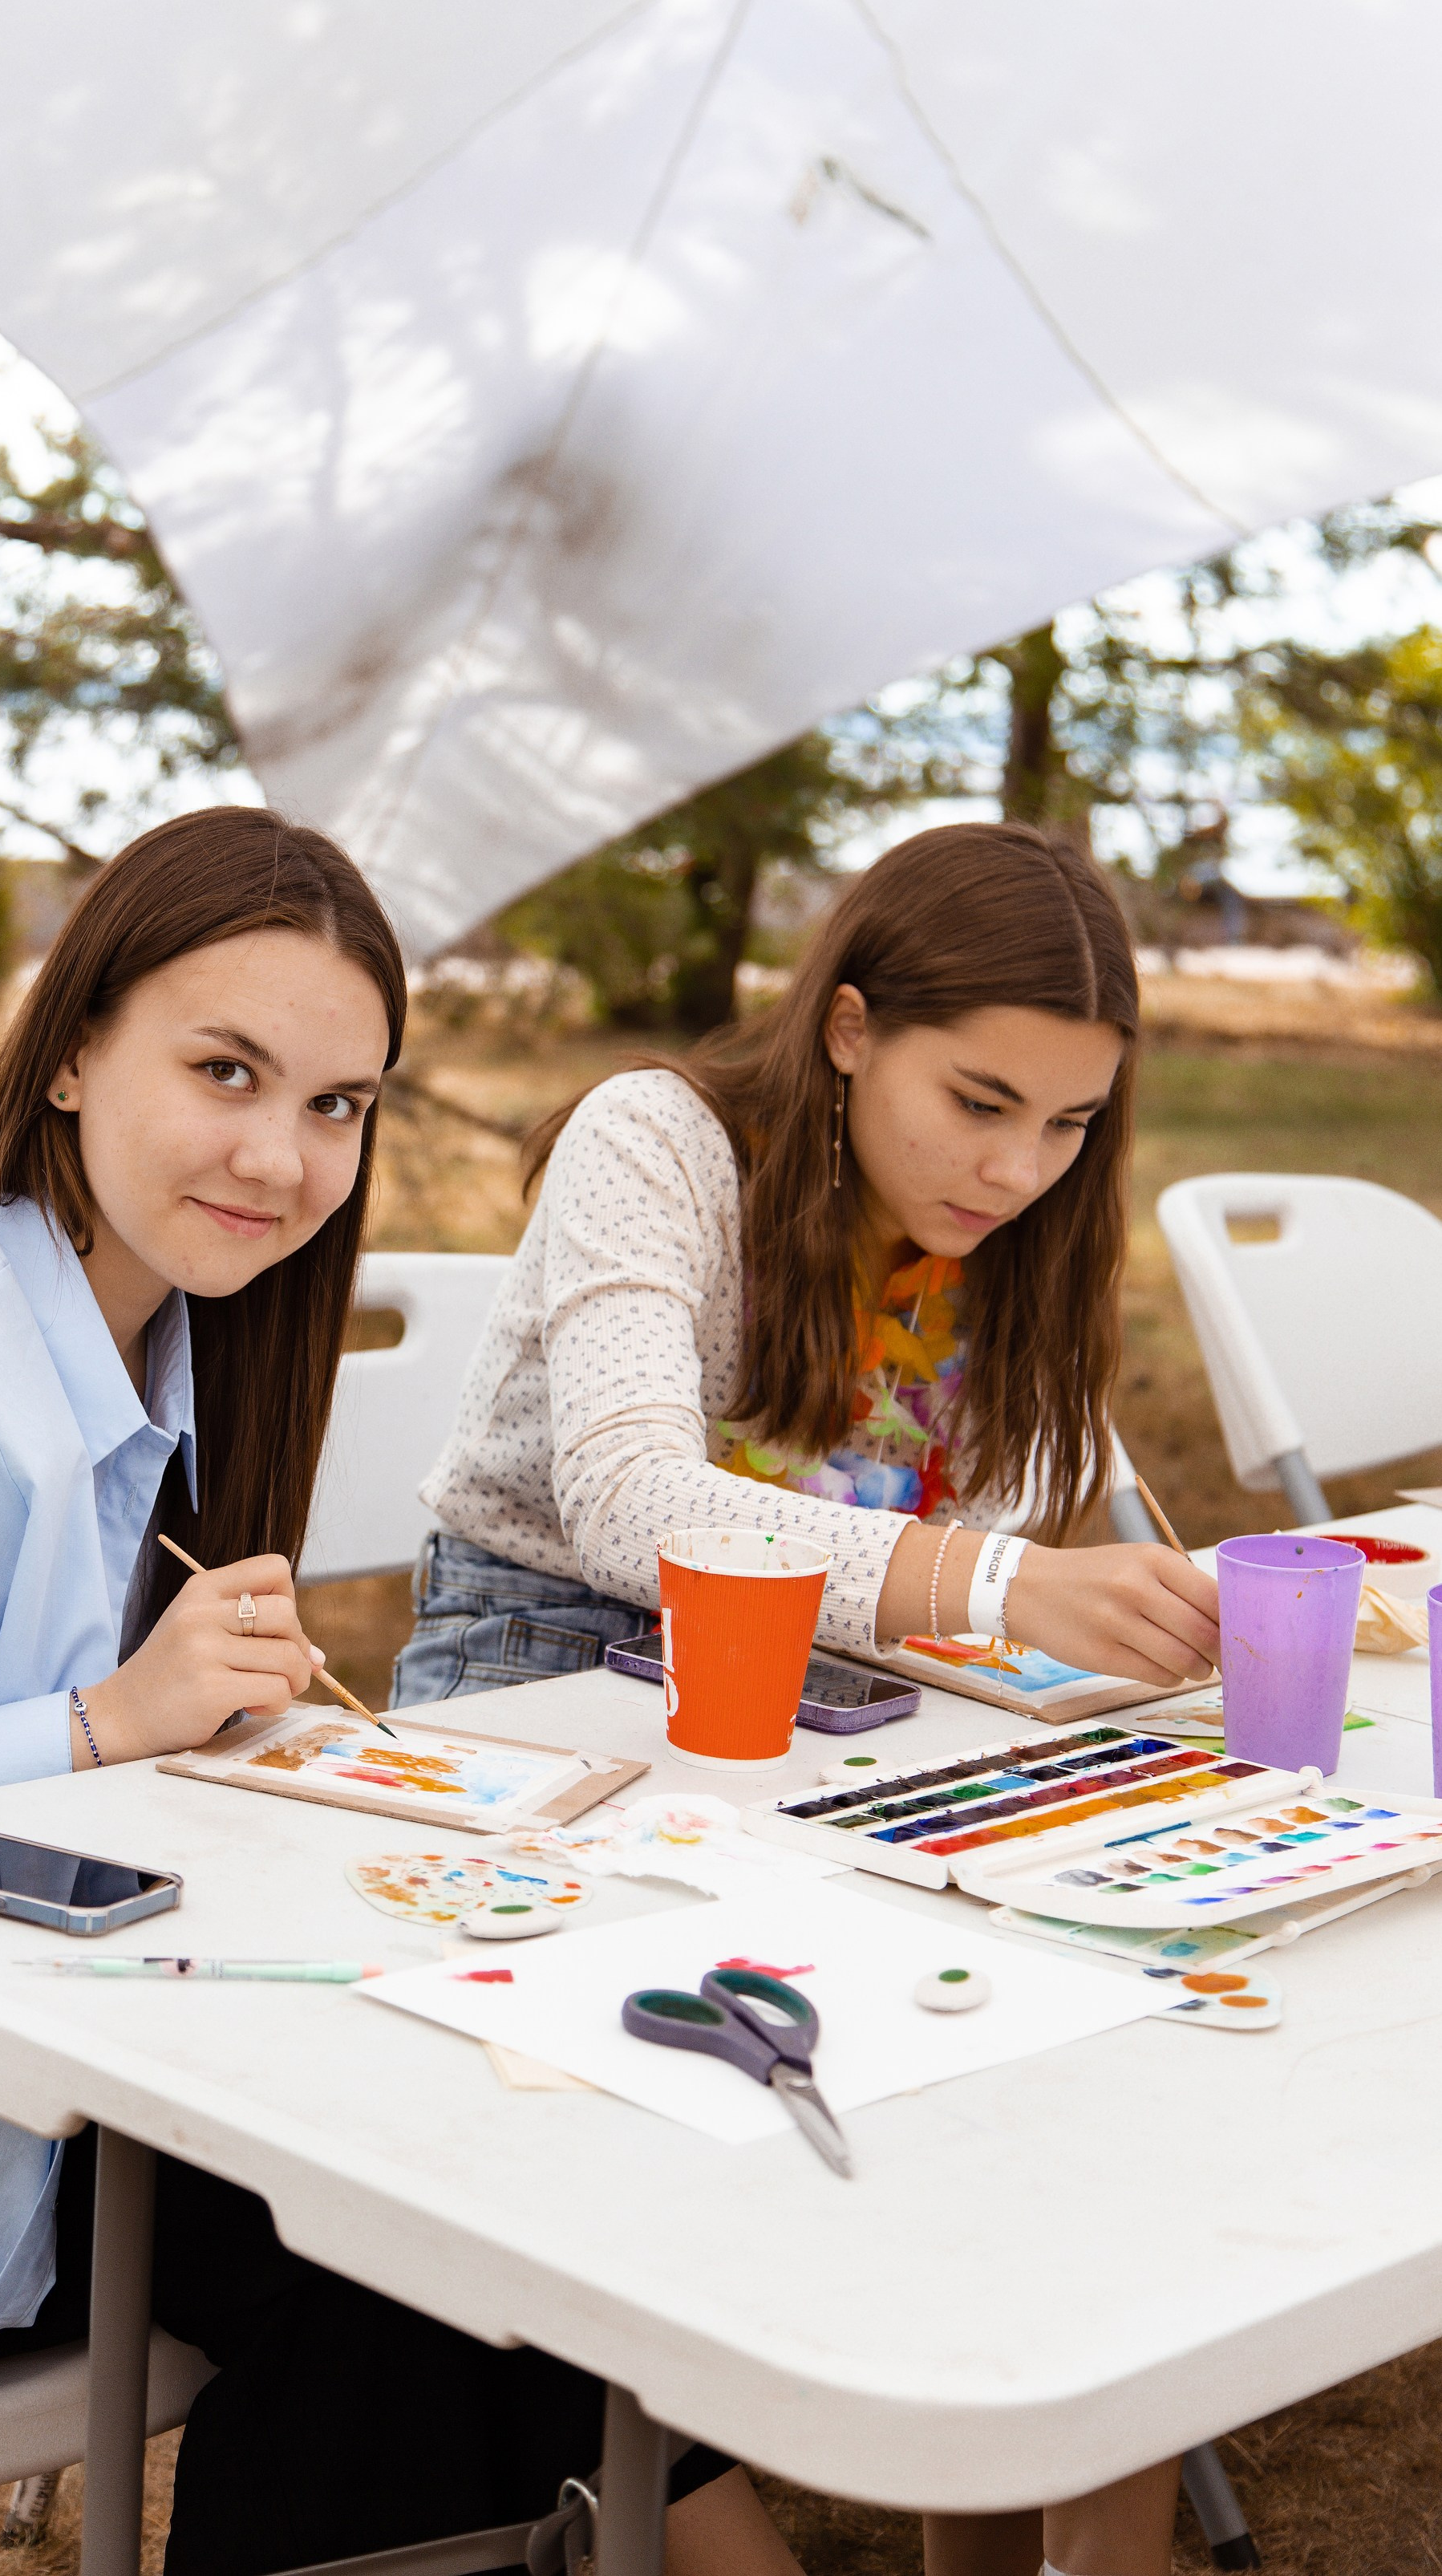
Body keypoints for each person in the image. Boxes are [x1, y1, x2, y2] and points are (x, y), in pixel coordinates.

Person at [0, 809, 796, 2576]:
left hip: (29, 2024)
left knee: (485, 2203)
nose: (284, 1157)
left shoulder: (163, 1327)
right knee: (413, 2258)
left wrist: (224, 1727)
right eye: (226, 1070)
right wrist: (100, 1727)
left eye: (336, 1104)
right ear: (72, 1050)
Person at [395, 821, 1217, 2576]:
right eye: (980, 1100)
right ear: (848, 1029)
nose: (1018, 1168)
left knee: (1063, 1996)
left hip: (842, 1723)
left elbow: (956, 1592)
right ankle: (683, 2500)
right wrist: (1003, 1589)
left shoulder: (1013, 1246)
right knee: (718, 2053)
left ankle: (1084, 2525)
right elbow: (630, 1498)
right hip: (550, 1691)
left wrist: (1077, 1626)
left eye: (1071, 1124)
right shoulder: (659, 1143)